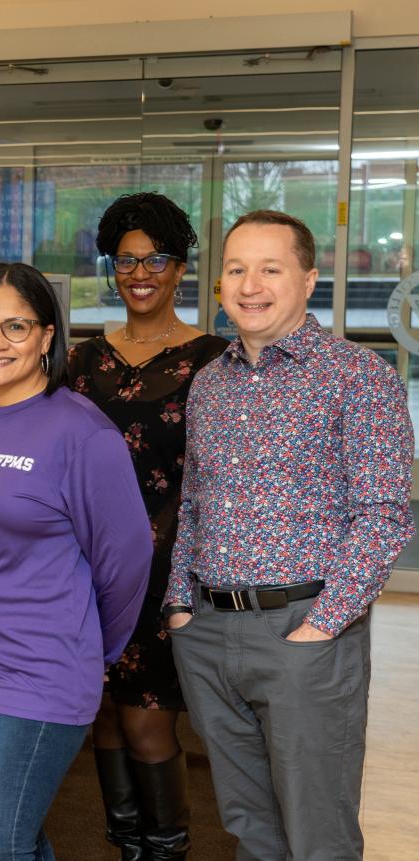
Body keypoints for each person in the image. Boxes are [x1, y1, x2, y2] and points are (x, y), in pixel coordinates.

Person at [165, 210, 415, 861]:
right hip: (210, 634)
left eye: (271, 268)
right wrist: (180, 606)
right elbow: (192, 502)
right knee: (249, 824)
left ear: (308, 279)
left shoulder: (359, 377)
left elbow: (385, 513)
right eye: (238, 268)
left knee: (317, 836)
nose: (252, 284)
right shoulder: (209, 384)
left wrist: (324, 625)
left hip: (306, 631)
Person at [0, 262, 151, 861]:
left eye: (15, 327)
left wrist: (88, 652)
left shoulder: (81, 434)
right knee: (12, 836)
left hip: (38, 669)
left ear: (47, 337)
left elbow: (126, 562)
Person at [68, 192, 228, 860]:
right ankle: (127, 843)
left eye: (154, 259)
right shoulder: (82, 360)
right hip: (85, 568)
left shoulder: (214, 359)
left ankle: (165, 848)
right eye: (125, 260)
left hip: (168, 574)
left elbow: (221, 477)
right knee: (102, 714)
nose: (139, 272)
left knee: (148, 723)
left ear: (180, 267)